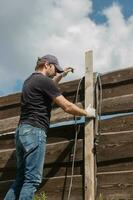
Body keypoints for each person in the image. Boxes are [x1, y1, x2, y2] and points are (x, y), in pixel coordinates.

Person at [4, 54, 95, 200]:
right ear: (47, 64)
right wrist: (86, 112)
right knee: (32, 180)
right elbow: (67, 106)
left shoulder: (29, 80)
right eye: (55, 69)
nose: (56, 72)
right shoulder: (43, 81)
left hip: (22, 132)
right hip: (35, 131)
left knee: (20, 179)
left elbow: (49, 86)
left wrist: (62, 75)